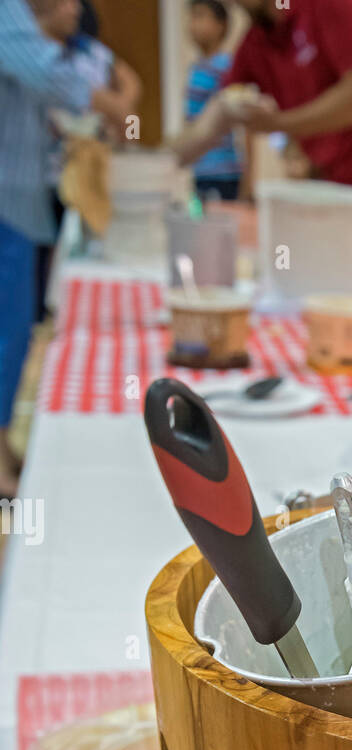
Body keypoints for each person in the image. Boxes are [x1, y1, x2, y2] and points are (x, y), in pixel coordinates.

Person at [172, 0, 352, 297]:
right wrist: (152, 163)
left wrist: (281, 123)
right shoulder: (259, 40)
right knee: (311, 292)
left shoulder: (331, 7)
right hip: (326, 180)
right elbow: (218, 115)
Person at [0, 0, 134, 498]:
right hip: (8, 205)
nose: (73, 9)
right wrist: (119, 104)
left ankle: (5, 446)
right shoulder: (13, 20)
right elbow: (49, 76)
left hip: (26, 205)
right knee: (6, 334)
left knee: (18, 331)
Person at [34, 0, 141, 320]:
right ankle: (40, 313)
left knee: (80, 241)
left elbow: (131, 82)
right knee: (40, 247)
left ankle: (68, 309)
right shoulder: (33, 52)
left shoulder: (90, 52)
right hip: (39, 172)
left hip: (83, 165)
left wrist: (121, 110)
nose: (74, 10)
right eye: (65, 4)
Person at [186, 0, 242, 203]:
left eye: (200, 16)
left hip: (223, 173)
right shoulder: (196, 68)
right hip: (199, 171)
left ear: (221, 25)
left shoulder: (225, 67)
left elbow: (244, 118)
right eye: (191, 17)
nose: (193, 24)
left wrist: (249, 180)